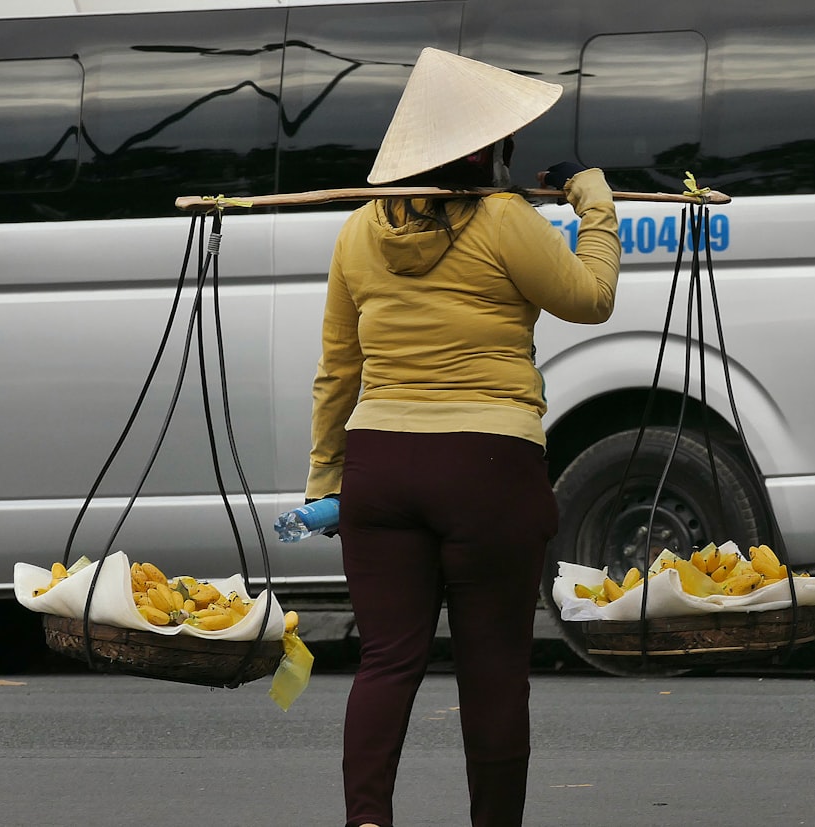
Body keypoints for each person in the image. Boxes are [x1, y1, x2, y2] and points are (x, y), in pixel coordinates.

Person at [304, 47, 621, 827]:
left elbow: (337, 372)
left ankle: (367, 820)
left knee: (385, 660)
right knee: (492, 671)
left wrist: (325, 483)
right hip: (489, 466)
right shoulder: (506, 220)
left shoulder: (356, 231)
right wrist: (594, 201)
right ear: (486, 151)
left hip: (380, 465)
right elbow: (592, 297)